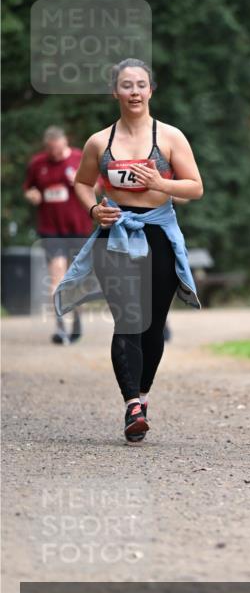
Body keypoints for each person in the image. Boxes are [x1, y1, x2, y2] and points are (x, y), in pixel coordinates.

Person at [54, 58, 203, 443]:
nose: (134, 92)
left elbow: (195, 187)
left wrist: (160, 182)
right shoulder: (98, 141)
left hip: (159, 234)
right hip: (116, 236)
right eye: (126, 85)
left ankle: (143, 394)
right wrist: (93, 209)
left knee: (153, 327)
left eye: (141, 85)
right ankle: (132, 405)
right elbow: (83, 182)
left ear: (151, 90)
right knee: (127, 319)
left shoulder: (170, 137)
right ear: (114, 91)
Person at [24, 126, 91, 344]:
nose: (54, 153)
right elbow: (29, 188)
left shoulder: (79, 158)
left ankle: (77, 322)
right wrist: (32, 194)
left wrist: (80, 184)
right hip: (51, 230)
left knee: (77, 278)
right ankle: (61, 327)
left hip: (78, 228)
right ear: (46, 147)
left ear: (65, 142)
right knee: (58, 276)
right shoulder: (37, 164)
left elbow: (96, 185)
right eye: (50, 149)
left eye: (58, 148)